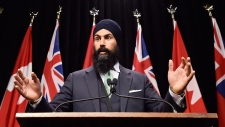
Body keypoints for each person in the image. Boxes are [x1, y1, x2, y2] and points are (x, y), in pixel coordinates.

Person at [14, 19, 195, 112]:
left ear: (117, 43)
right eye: (97, 38)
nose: (102, 43)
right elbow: (52, 116)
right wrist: (37, 99)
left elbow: (161, 115)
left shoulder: (139, 80)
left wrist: (174, 92)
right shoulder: (75, 80)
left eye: (108, 37)